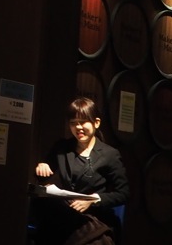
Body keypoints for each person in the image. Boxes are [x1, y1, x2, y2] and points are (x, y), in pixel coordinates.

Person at [31, 96, 129, 245]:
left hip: (91, 221)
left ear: (96, 123)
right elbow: (45, 174)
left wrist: (93, 199)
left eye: (83, 122)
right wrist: (42, 166)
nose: (78, 127)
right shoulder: (62, 147)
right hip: (62, 217)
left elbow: (123, 194)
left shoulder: (110, 154)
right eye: (73, 123)